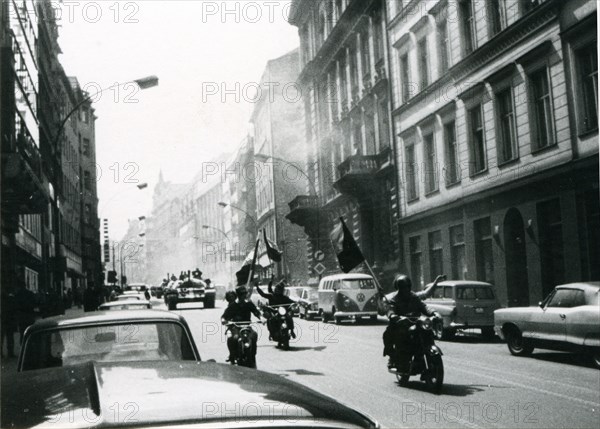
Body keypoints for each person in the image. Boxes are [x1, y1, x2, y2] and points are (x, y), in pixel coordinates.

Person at [382, 274, 440, 373]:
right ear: (400, 288)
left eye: (409, 286)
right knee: (392, 335)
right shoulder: (394, 299)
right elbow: (390, 309)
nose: (407, 289)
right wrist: (393, 316)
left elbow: (423, 306)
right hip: (402, 324)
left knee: (427, 332)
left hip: (416, 323)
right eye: (405, 287)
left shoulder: (414, 296)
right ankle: (395, 358)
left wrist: (433, 313)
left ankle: (422, 357)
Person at [221, 286, 262, 364]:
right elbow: (224, 316)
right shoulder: (233, 305)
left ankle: (253, 354)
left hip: (247, 326)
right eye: (241, 294)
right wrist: (224, 321)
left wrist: (261, 317)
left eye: (244, 294)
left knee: (254, 335)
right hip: (236, 327)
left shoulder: (249, 304)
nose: (243, 296)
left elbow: (256, 312)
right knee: (232, 338)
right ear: (238, 295)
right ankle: (232, 355)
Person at [1, 287, 17, 358]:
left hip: (3, 320)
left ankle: (1, 352)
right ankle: (10, 352)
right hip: (9, 320)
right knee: (10, 337)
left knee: (2, 337)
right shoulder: (10, 299)